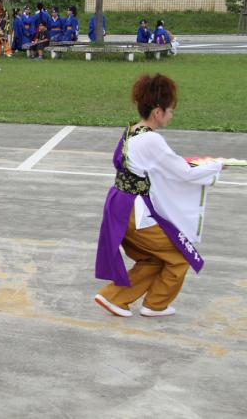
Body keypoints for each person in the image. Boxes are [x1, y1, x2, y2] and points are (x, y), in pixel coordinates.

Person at [94, 74, 223, 318]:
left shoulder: (132, 130)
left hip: (120, 205)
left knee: (153, 258)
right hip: (133, 211)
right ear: (157, 112)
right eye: (170, 110)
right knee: (179, 256)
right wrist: (216, 166)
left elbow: (167, 166)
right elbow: (183, 172)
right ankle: (155, 304)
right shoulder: (152, 140)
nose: (171, 115)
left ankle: (115, 298)